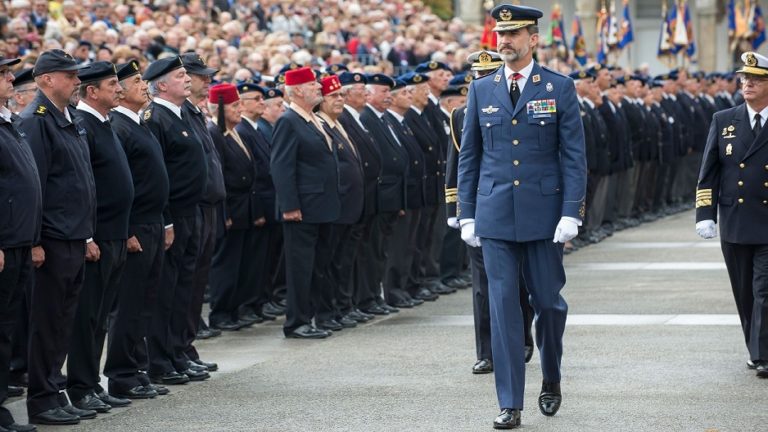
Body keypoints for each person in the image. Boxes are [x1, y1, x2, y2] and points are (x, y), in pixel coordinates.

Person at [457, 4, 587, 429]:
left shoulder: (559, 87)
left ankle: (550, 375)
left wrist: (571, 212)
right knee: (502, 309)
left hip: (544, 216)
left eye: (514, 34)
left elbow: (573, 158)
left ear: (534, 39)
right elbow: (470, 157)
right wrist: (467, 214)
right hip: (494, 215)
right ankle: (510, 401)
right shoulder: (481, 89)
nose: (505, 40)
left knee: (548, 304)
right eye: (500, 33)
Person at [17, 49, 97, 426]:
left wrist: (86, 234)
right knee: (47, 321)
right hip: (51, 238)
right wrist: (35, 240)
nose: (76, 80)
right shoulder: (36, 120)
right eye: (69, 75)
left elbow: (80, 179)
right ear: (46, 79)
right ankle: (43, 398)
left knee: (63, 320)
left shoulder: (69, 117)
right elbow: (35, 187)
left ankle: (54, 388)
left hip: (73, 234)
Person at [67, 61, 134, 414]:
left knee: (101, 314)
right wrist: (88, 236)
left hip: (115, 234)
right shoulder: (84, 125)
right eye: (112, 85)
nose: (119, 90)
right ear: (92, 91)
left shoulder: (104, 123)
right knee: (88, 316)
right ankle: (80, 386)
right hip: (98, 236)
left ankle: (92, 382)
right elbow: (84, 188)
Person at [695, 51, 768, 379]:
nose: (748, 83)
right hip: (735, 219)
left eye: (756, 79)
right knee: (743, 292)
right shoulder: (724, 120)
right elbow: (708, 172)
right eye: (744, 78)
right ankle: (755, 346)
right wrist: (704, 214)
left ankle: (763, 352)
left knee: (764, 289)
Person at [104, 59, 170, 400]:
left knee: (145, 302)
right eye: (137, 82)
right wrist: (127, 228)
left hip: (153, 223)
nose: (145, 86)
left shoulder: (138, 123)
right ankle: (121, 374)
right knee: (128, 304)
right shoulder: (120, 126)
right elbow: (119, 185)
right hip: (136, 226)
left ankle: (138, 369)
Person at [142, 56, 210, 385]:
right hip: (173, 215)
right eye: (180, 75)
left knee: (184, 287)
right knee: (165, 290)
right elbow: (158, 175)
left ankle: (176, 352)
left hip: (192, 211)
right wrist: (166, 219)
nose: (188, 79)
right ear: (162, 85)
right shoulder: (156, 118)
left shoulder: (180, 114)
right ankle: (160, 359)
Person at [270, 66, 340, 339]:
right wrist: (289, 206)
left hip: (321, 205)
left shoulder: (312, 119)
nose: (319, 88)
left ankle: (315, 316)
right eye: (313, 85)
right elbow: (281, 166)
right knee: (301, 268)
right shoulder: (289, 121)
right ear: (297, 90)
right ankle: (297, 321)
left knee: (318, 266)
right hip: (303, 208)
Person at [0, 54, 42, 432]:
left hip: (17, 240)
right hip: (4, 241)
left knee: (6, 326)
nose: (11, 78)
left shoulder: (9, 123)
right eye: (2, 74)